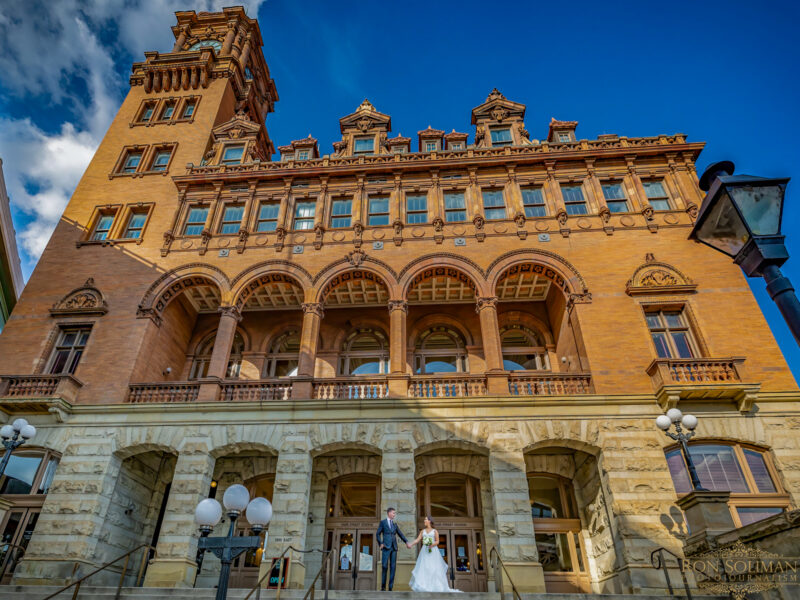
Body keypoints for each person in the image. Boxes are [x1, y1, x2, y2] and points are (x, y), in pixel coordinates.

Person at [408, 516, 461, 592]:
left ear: (429, 521)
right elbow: (418, 539)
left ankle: (434, 587)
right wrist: (411, 544)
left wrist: (431, 544)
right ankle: (424, 586)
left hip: (433, 551)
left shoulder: (435, 531)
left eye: (425, 519)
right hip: (424, 551)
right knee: (424, 567)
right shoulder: (422, 531)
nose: (424, 521)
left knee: (433, 568)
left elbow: (437, 541)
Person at [376, 507, 409, 591]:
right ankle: (383, 587)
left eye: (395, 513)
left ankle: (390, 588)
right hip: (386, 547)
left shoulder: (394, 524)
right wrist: (381, 543)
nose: (394, 514)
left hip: (394, 547)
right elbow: (377, 534)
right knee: (384, 566)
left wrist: (406, 542)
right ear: (389, 513)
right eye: (393, 513)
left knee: (393, 567)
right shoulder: (383, 522)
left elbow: (400, 534)